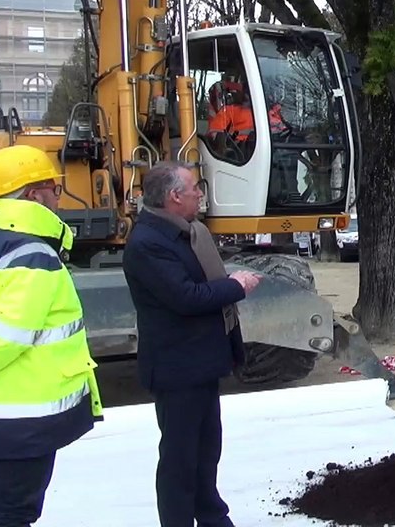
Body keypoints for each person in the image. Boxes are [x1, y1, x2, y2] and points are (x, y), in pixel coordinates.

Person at [0, 144, 102, 527]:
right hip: (26, 420)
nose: (58, 197)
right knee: (14, 513)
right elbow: (11, 334)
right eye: (54, 188)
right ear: (34, 194)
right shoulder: (34, 256)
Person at [123, 161, 261, 527]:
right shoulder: (147, 243)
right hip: (176, 370)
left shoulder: (188, 232)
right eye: (194, 188)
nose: (200, 193)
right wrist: (236, 286)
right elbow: (185, 297)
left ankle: (213, 517)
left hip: (200, 365)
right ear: (174, 196)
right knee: (180, 462)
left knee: (205, 454)